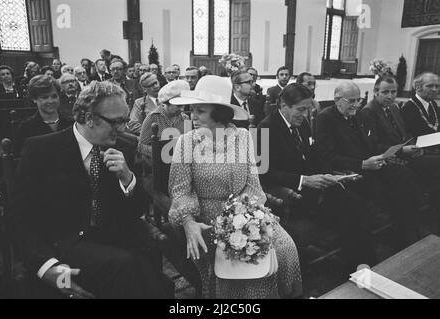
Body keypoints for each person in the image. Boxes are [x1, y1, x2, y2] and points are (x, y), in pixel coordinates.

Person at [12, 80, 174, 299]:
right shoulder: (41, 149)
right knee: (128, 268)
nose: (123, 128)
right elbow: (20, 218)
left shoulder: (123, 146)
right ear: (89, 119)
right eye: (116, 122)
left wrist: (127, 178)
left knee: (150, 273)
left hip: (111, 240)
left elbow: (136, 211)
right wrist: (47, 267)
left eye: (125, 120)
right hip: (62, 245)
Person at [168, 75, 302, 299]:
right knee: (236, 262)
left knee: (285, 249)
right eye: (192, 110)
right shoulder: (185, 142)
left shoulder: (243, 137)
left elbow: (253, 184)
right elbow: (180, 190)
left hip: (246, 211)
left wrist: (247, 218)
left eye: (200, 111)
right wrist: (189, 221)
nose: (193, 116)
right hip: (205, 215)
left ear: (219, 113)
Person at [259, 83, 376, 271]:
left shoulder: (302, 125)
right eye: (301, 110)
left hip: (314, 189)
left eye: (308, 109)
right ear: (283, 107)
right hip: (292, 196)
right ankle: (360, 266)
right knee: (350, 209)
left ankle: (362, 265)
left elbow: (313, 156)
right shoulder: (263, 129)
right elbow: (263, 174)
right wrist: (303, 180)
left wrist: (330, 174)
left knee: (355, 203)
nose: (305, 115)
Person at [315, 81, 421, 250]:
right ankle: (389, 237)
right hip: (349, 170)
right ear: (337, 100)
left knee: (403, 174)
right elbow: (328, 156)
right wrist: (362, 164)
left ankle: (404, 231)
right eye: (352, 101)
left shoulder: (356, 115)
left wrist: (395, 152)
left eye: (359, 100)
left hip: (370, 164)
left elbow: (371, 145)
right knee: (380, 187)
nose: (356, 105)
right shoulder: (326, 118)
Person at [361, 75, 440, 218]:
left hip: (406, 152)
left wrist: (414, 146)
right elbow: (372, 145)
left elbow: (404, 133)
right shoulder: (369, 111)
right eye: (385, 92)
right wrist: (402, 150)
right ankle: (415, 213)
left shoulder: (393, 107)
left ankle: (430, 209)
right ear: (376, 91)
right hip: (389, 158)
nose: (390, 96)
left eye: (393, 92)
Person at [13, 75, 73, 157]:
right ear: (34, 99)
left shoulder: (71, 123)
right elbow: (20, 158)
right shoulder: (26, 128)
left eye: (54, 96)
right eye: (44, 97)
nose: (50, 101)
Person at [139, 80, 190, 148]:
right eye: (178, 106)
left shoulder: (185, 118)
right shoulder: (153, 117)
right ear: (166, 103)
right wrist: (158, 152)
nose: (182, 109)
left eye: (184, 105)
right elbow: (141, 146)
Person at [401, 72, 440, 137]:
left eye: (437, 86)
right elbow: (417, 133)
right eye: (430, 86)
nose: (434, 89)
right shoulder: (409, 107)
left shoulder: (433, 104)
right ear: (418, 87)